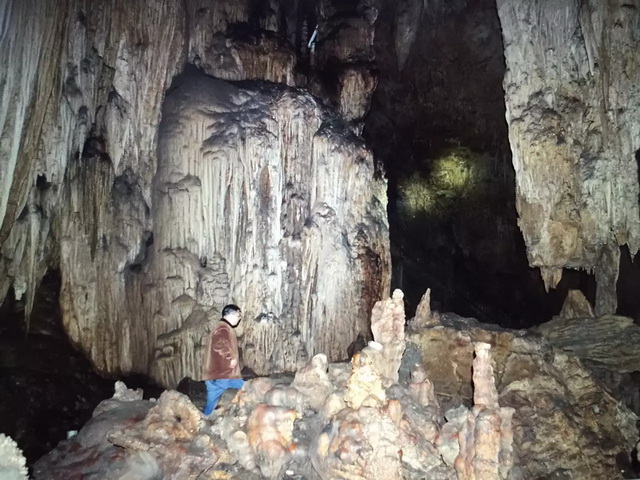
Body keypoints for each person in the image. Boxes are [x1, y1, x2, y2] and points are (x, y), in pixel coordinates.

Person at [202, 304, 245, 415]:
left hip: (220, 374)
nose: (239, 318)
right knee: (248, 389)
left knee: (246, 388)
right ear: (230, 315)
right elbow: (219, 344)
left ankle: (205, 421)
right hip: (222, 374)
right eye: (238, 315)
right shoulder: (223, 328)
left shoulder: (222, 327)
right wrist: (230, 358)